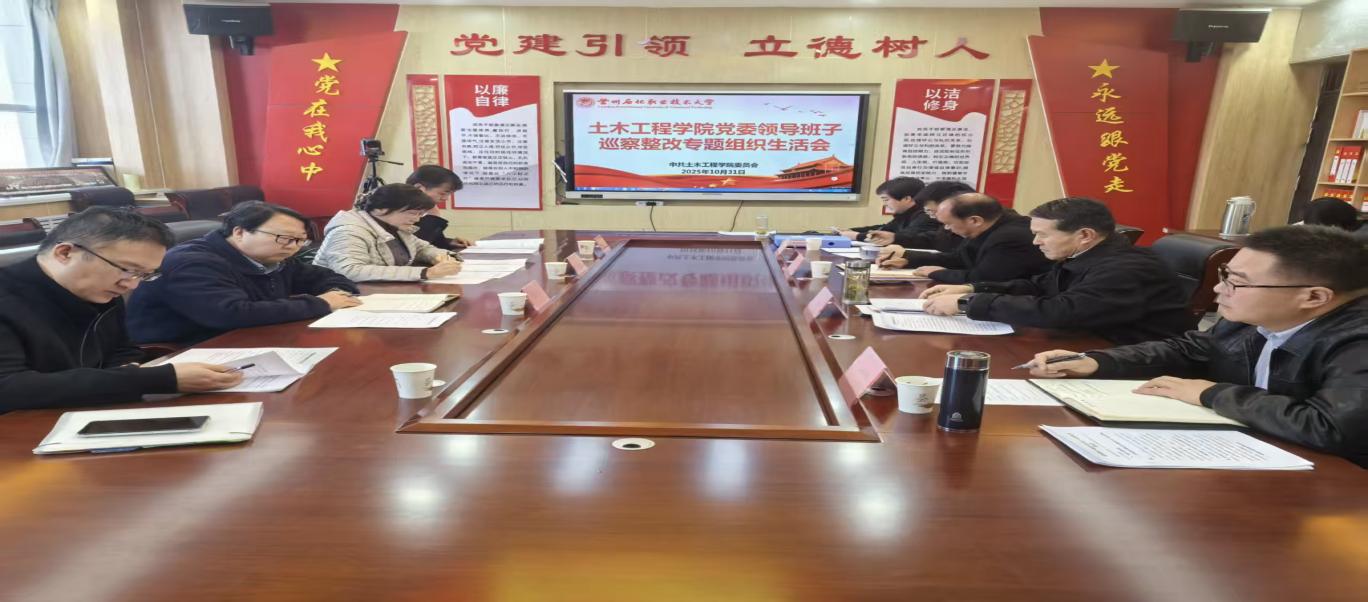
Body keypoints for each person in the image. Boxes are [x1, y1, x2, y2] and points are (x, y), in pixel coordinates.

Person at [1027, 226, 1368, 467]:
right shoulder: (1253, 317)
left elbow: (1331, 428)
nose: (1219, 290)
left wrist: (1211, 393)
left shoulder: (1357, 341)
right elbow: (1189, 349)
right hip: (1257, 453)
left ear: (1314, 297)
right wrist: (1095, 361)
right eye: (1225, 275)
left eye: (1237, 283)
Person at [0, 208, 242, 412]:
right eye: (127, 269)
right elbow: (9, 388)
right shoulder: (9, 297)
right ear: (65, 253)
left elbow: (122, 349)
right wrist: (157, 379)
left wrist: (126, 373)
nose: (131, 285)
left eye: (144, 275)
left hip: (85, 413)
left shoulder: (100, 290)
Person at [921, 197, 1190, 344]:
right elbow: (1038, 286)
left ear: (1084, 235)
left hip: (1135, 357)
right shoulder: (1084, 255)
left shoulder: (1126, 269)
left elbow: (1060, 311)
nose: (1035, 242)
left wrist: (968, 303)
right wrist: (971, 288)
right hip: (1092, 343)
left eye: (1043, 235)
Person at [127, 202, 362, 345]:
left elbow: (325, 277)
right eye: (284, 238)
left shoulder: (273, 256)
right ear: (239, 232)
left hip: (251, 339)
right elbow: (230, 313)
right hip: (186, 349)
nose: (293, 246)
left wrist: (337, 293)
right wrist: (321, 303)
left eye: (300, 240)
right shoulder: (192, 263)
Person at [875, 192, 1050, 284]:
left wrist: (937, 272)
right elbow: (961, 257)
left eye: (948, 224)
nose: (946, 229)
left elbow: (983, 278)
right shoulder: (990, 224)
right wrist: (908, 259)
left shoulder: (1010, 237)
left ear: (974, 220)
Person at [313, 184, 464, 282]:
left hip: (379, 292)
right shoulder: (348, 231)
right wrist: (424, 273)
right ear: (381, 209)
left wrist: (441, 257)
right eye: (413, 213)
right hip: (344, 295)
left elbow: (421, 248)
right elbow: (350, 271)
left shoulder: (395, 226)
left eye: (420, 214)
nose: (417, 219)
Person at [837, 177, 927, 246]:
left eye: (886, 199)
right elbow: (885, 228)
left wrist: (857, 236)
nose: (884, 204)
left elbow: (902, 237)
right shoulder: (904, 215)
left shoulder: (925, 216)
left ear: (907, 199)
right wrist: (852, 230)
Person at [406, 165, 472, 250]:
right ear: (419, 188)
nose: (445, 198)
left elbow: (426, 241)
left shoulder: (422, 209)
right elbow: (413, 247)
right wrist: (433, 216)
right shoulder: (399, 210)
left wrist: (448, 242)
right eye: (442, 193)